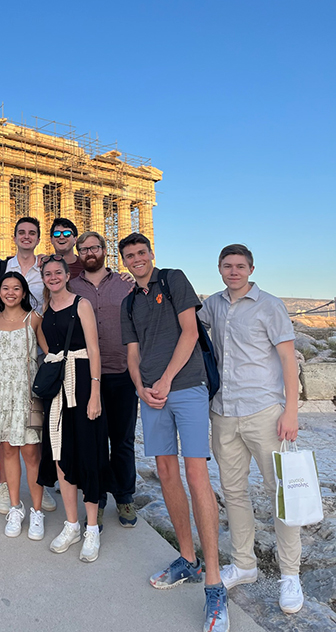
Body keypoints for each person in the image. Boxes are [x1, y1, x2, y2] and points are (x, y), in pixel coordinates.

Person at [119, 232, 228, 632]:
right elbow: (132, 353)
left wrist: (164, 380)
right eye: (129, 256)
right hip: (151, 394)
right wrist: (140, 386)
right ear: (125, 262)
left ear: (151, 254)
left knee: (196, 473)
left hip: (186, 388)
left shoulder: (173, 279)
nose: (137, 259)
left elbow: (189, 332)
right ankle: (188, 558)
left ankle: (214, 584)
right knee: (167, 473)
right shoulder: (129, 301)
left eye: (141, 253)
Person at [198, 244, 303, 614]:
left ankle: (291, 573)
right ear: (219, 269)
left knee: (282, 494)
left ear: (251, 268)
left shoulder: (270, 304)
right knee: (234, 492)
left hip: (264, 411)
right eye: (227, 266)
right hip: (224, 412)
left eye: (240, 266)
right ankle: (244, 563)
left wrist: (291, 410)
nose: (234, 272)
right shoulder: (212, 304)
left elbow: (288, 357)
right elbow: (186, 323)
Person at [38, 255, 109, 564]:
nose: (53, 277)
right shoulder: (44, 310)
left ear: (67, 275)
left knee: (88, 452)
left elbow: (94, 349)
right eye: (48, 273)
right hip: (57, 388)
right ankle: (71, 525)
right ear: (43, 279)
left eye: (57, 272)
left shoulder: (81, 304)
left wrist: (95, 393)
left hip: (81, 383)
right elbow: (45, 344)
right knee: (60, 453)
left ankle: (91, 527)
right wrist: (52, 361)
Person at [0, 216, 56, 515]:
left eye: (32, 233)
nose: (26, 237)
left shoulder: (46, 269)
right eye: (21, 232)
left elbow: (49, 345)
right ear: (13, 236)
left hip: (31, 374)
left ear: (38, 238)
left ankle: (38, 487)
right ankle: (6, 486)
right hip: (3, 381)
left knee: (31, 442)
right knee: (6, 440)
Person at [70, 231, 138, 529]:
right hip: (86, 376)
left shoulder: (126, 284)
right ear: (79, 253)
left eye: (95, 247)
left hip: (123, 372)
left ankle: (124, 495)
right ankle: (96, 497)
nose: (90, 253)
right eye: (84, 249)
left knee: (122, 440)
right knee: (93, 441)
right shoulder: (70, 285)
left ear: (104, 250)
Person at [0, 272, 45, 539]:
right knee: (8, 451)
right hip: (1, 391)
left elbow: (48, 353)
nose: (10, 292)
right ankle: (15, 508)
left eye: (16, 288)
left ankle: (37, 511)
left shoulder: (34, 319)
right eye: (5, 288)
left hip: (28, 391)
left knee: (31, 453)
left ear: (24, 292)